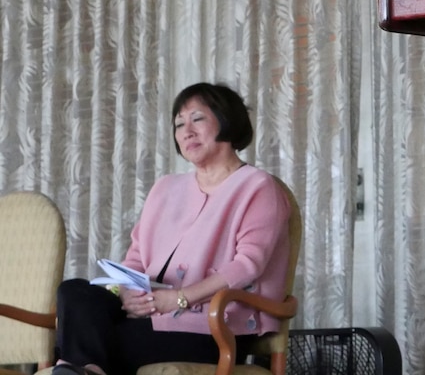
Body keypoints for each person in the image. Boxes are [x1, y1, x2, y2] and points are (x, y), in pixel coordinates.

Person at [54, 83, 291, 375]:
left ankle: (79, 367)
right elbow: (135, 259)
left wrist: (180, 298)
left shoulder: (258, 187)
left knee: (85, 344)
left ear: (227, 120)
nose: (186, 131)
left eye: (197, 119)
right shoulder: (165, 188)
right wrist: (127, 293)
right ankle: (87, 368)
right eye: (179, 124)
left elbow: (247, 265)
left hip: (214, 328)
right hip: (148, 314)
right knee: (74, 291)